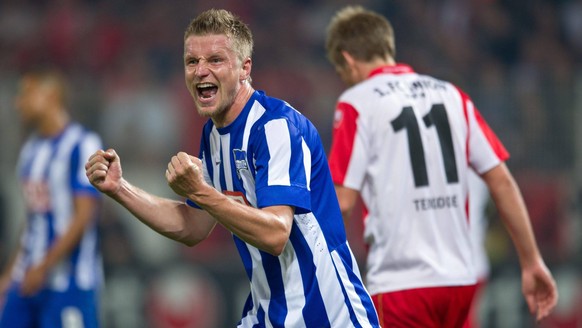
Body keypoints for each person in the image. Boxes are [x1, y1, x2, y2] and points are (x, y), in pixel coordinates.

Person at [85, 9, 380, 327]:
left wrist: (200, 191)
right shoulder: (213, 135)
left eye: (215, 60)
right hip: (269, 314)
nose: (200, 71)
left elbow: (276, 233)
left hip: (327, 314)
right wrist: (120, 188)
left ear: (244, 68)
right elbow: (192, 226)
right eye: (192, 62)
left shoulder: (276, 127)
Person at [325, 5, 558, 327]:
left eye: (341, 72)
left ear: (348, 59)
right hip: (460, 280)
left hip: (401, 282)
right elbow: (502, 180)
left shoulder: (356, 102)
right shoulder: (452, 95)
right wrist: (531, 261)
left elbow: (342, 202)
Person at [0, 68, 103, 327]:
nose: (18, 102)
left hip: (70, 282)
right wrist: (11, 275)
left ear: (50, 95)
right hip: (28, 279)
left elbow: (83, 216)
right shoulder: (31, 151)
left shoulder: (83, 144)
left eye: (26, 94)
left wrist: (44, 266)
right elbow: (33, 219)